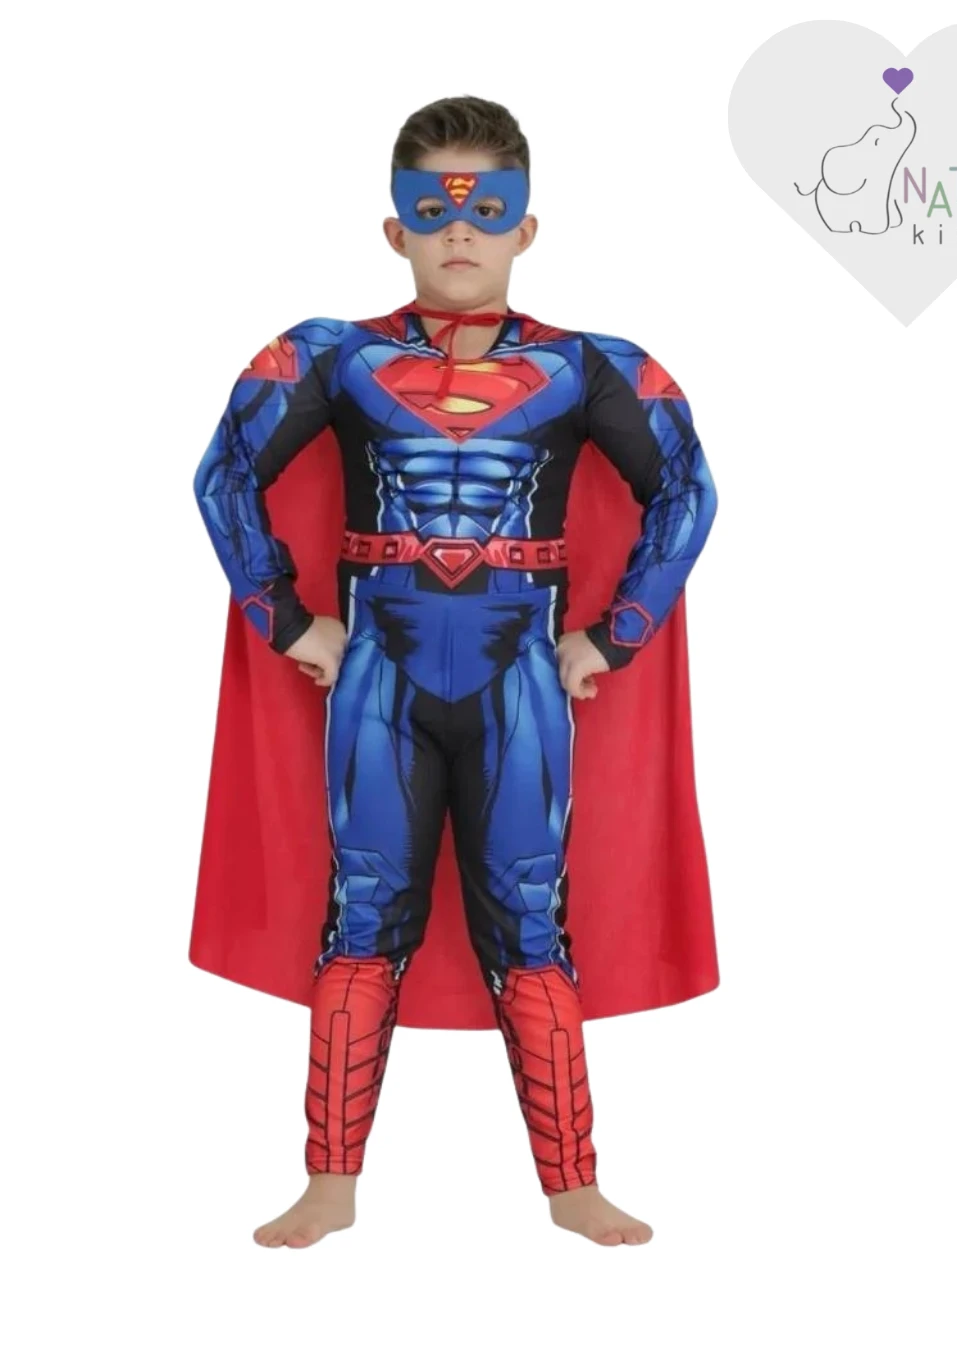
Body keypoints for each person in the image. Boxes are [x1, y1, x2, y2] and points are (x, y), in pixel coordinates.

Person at [191, 94, 718, 1249]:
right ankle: (329, 1187)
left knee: (531, 925)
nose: (461, 229)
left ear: (528, 227)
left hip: (518, 674)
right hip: (376, 674)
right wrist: (287, 621)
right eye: (433, 209)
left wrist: (615, 636)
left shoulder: (593, 365)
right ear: (397, 229)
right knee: (362, 920)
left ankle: (573, 1187)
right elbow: (224, 474)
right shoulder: (330, 355)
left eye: (487, 208)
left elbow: (687, 489)